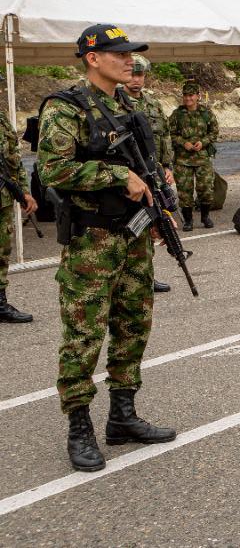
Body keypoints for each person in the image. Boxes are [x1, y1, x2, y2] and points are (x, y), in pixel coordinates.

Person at [38, 24, 176, 473]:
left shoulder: (128, 106)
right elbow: (53, 171)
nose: (129, 59)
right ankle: (79, 425)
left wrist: (156, 211)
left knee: (133, 325)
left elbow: (147, 169)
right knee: (84, 334)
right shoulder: (66, 108)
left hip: (133, 237)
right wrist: (119, 177)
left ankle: (122, 415)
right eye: (120, 53)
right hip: (92, 241)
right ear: (93, 58)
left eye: (131, 53)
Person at [124, 56, 174, 293]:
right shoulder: (117, 103)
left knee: (153, 220)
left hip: (152, 172)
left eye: (140, 75)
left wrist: (167, 166)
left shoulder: (153, 104)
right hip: (128, 174)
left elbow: (163, 136)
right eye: (132, 75)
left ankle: (145, 275)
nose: (136, 80)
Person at [0, 91, 38, 323]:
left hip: (4, 197)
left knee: (2, 253)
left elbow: (13, 157)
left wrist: (24, 191)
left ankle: (0, 303)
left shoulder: (2, 118)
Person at [169, 81, 218, 231]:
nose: (187, 98)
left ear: (198, 96)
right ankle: (188, 221)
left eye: (191, 95)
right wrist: (183, 143)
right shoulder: (177, 115)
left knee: (206, 189)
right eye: (185, 95)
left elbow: (214, 132)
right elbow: (170, 133)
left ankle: (205, 217)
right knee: (184, 192)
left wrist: (203, 142)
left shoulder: (206, 113)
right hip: (183, 160)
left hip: (202, 158)